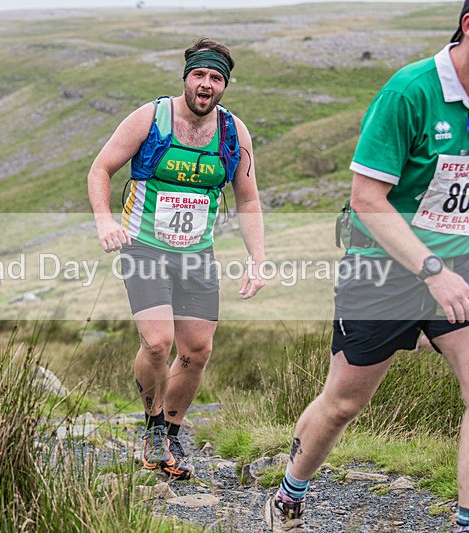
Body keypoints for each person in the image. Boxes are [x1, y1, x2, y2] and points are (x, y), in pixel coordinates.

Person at [266, 1, 469, 531]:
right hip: (384, 268)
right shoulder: (409, 92)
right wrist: (431, 270)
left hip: (461, 263)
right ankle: (288, 495)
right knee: (343, 402)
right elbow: (367, 199)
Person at [87, 37, 265, 480]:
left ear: (225, 85)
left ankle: (170, 431)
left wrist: (257, 258)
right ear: (186, 77)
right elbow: (100, 169)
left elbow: (247, 199)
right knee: (157, 342)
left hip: (196, 253)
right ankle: (151, 429)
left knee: (197, 351)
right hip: (144, 246)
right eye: (200, 75)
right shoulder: (151, 117)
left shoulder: (232, 132)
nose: (206, 85)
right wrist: (106, 222)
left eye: (216, 78)